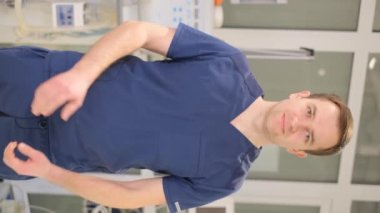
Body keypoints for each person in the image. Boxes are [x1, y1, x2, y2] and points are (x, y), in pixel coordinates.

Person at [0, 21, 353, 212]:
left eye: (307, 135)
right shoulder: (228, 63)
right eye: (309, 112)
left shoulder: (224, 178)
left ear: (298, 151)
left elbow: (127, 195)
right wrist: (81, 76)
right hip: (40, 78)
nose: (297, 123)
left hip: (38, 150)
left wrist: (50, 174)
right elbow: (140, 32)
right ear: (301, 96)